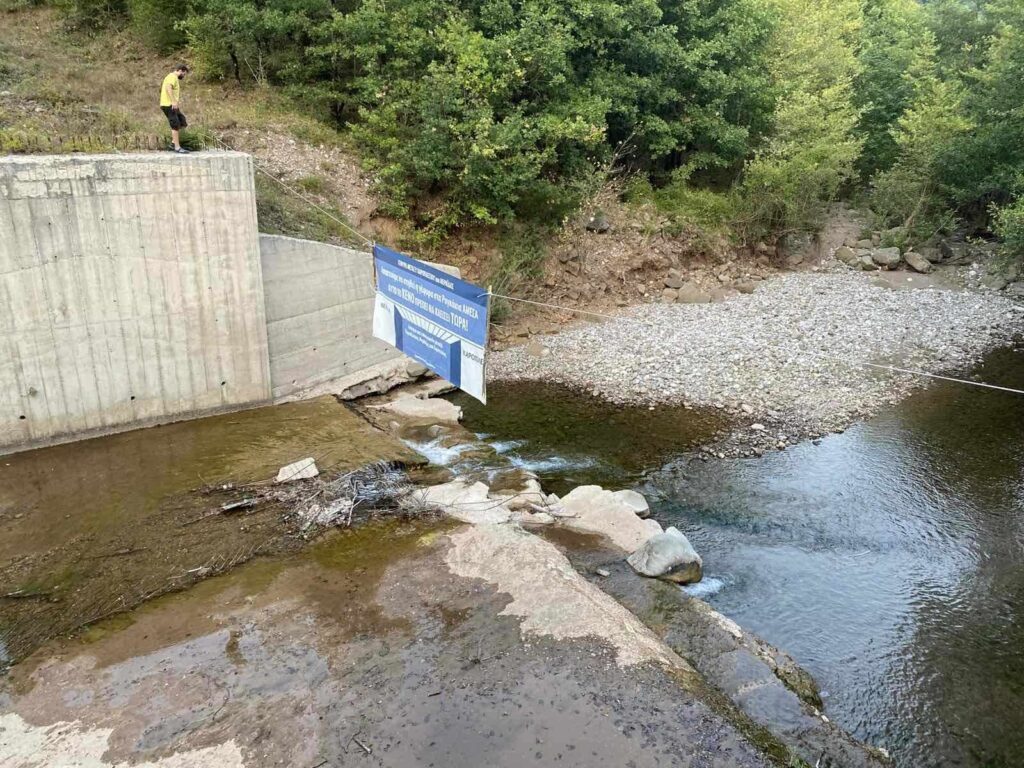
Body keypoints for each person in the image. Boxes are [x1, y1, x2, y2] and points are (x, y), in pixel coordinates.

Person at [160, 64, 190, 154]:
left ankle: (173, 143)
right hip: (168, 105)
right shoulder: (172, 77)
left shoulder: (173, 78)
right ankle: (177, 148)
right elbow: (168, 87)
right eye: (184, 74)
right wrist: (173, 101)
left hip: (172, 105)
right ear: (180, 70)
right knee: (175, 124)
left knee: (182, 121)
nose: (183, 76)